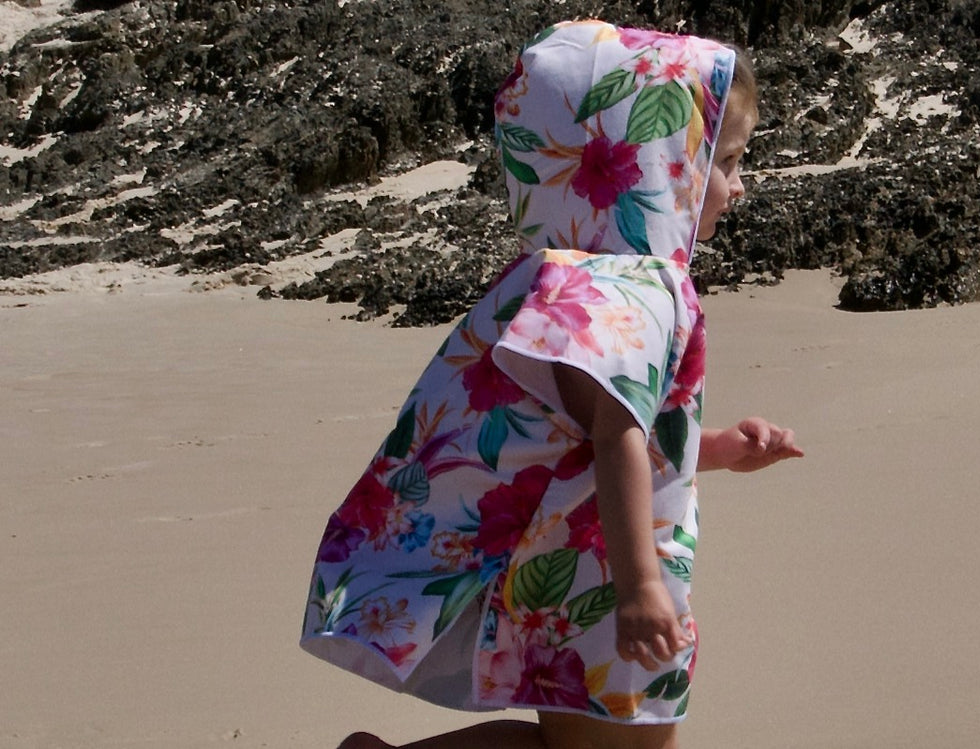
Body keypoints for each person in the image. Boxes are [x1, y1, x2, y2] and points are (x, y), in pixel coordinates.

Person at [300, 20, 804, 749]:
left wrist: (719, 447)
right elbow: (615, 432)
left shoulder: (575, 276)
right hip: (606, 581)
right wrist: (638, 587)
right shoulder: (637, 289)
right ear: (658, 164)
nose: (737, 186)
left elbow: (605, 428)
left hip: (572, 568)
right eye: (722, 162)